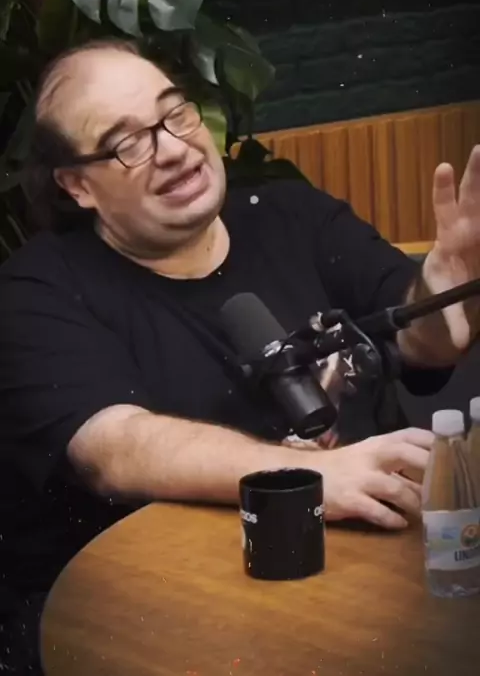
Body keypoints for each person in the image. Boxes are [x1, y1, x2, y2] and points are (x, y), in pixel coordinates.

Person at [1, 38, 480, 673]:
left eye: (175, 113)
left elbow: (422, 341)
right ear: (77, 185)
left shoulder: (294, 216)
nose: (174, 149)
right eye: (128, 144)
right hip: (167, 619)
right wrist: (308, 473)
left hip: (365, 581)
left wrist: (448, 292)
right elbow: (113, 448)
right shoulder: (39, 288)